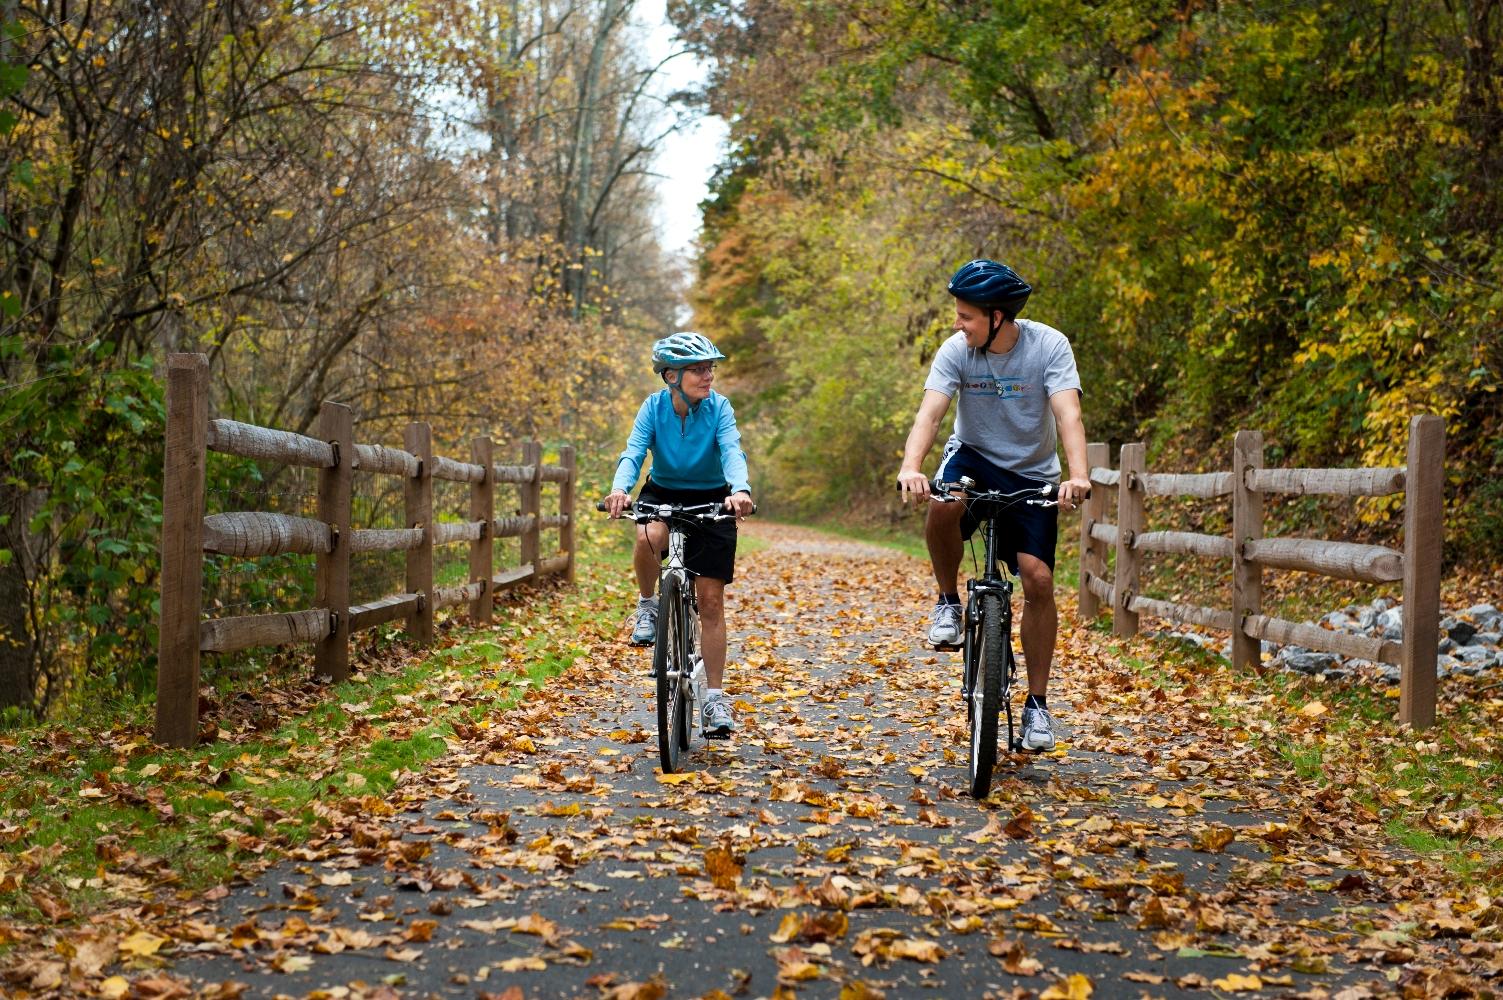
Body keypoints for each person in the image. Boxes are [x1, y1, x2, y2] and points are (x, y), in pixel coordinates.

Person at [896, 259, 1090, 752]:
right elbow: (931, 413)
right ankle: (947, 603)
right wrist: (911, 467)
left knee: (1038, 579)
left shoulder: (1049, 346)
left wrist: (1079, 475)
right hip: (973, 458)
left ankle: (1038, 707)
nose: (958, 325)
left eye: (967, 316)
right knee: (943, 501)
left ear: (998, 317)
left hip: (1032, 473)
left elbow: (1068, 413)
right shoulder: (956, 351)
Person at [604, 331, 755, 738]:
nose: (708, 376)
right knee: (646, 537)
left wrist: (740, 490)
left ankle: (715, 699)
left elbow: (731, 451)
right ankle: (649, 604)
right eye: (697, 370)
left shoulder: (719, 407)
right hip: (664, 490)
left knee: (710, 601)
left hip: (714, 498)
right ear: (671, 376)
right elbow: (634, 452)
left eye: (710, 368)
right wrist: (620, 488)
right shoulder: (652, 409)